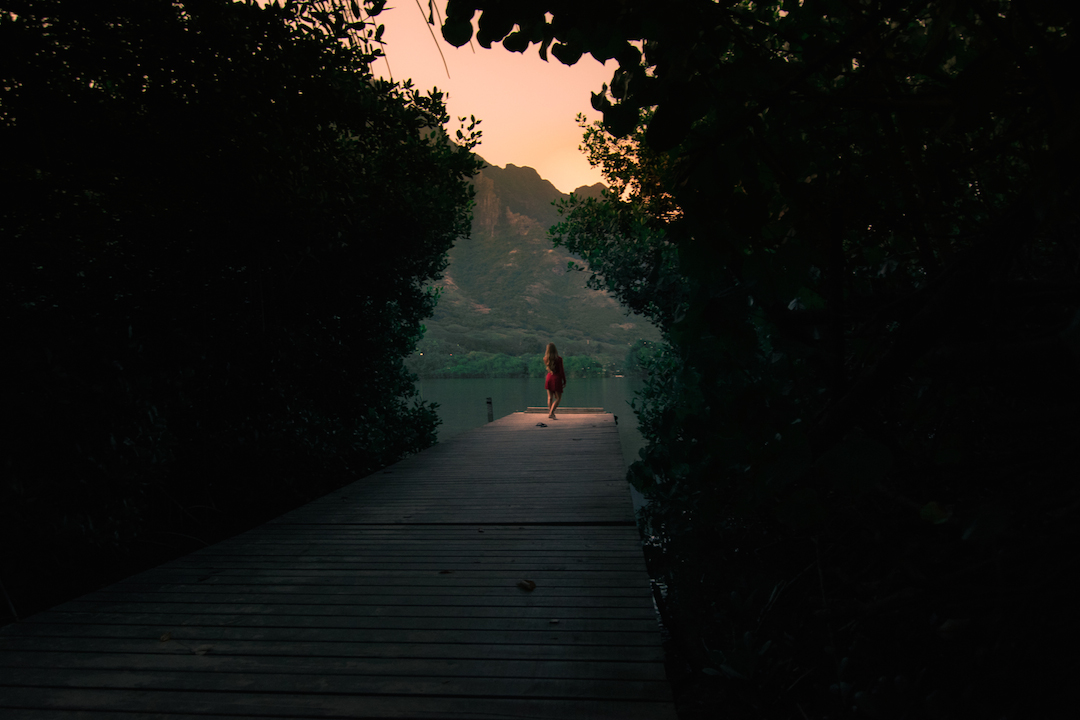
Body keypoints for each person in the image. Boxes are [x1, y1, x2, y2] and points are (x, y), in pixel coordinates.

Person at [543, 342, 567, 419]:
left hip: (549, 377)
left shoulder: (545, 359)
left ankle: (551, 413)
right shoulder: (559, 359)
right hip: (556, 378)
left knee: (550, 397)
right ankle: (551, 413)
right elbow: (561, 371)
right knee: (558, 398)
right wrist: (564, 380)